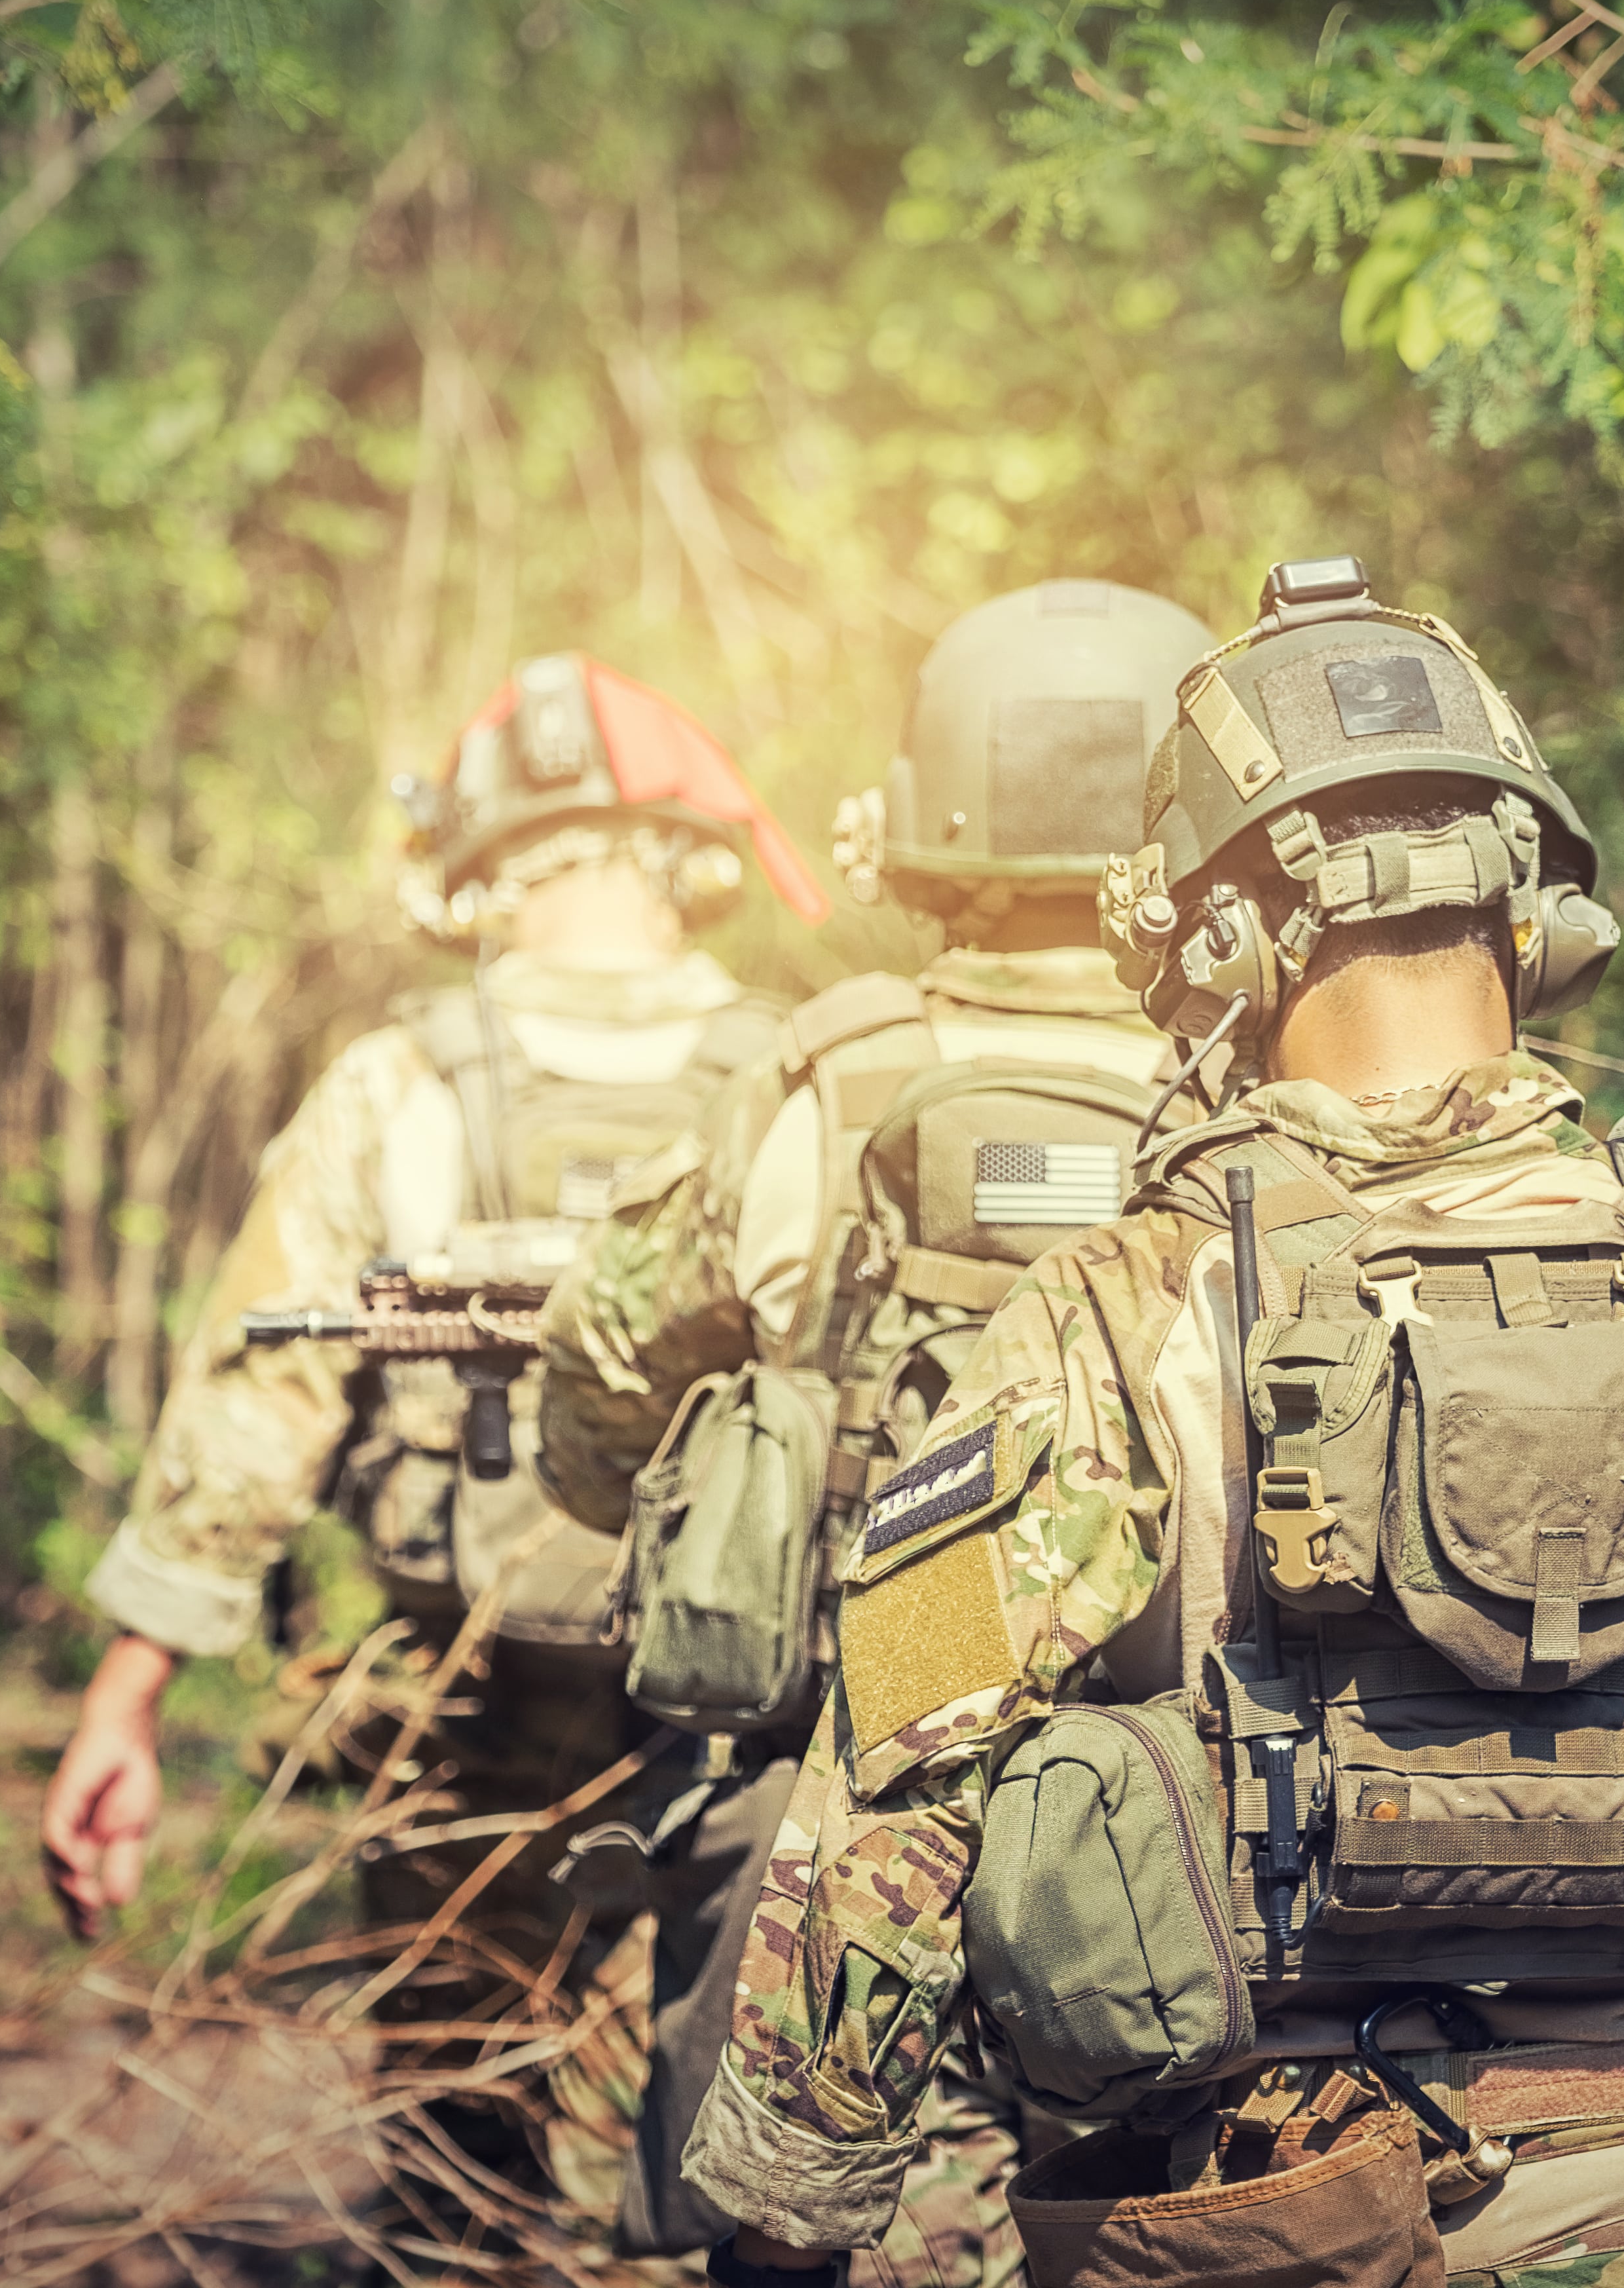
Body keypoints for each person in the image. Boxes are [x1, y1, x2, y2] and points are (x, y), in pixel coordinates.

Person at [678, 560, 1624, 2288]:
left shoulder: (1118, 1314)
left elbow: (902, 1787)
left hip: (1250, 2209)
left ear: (1217, 947)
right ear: (1533, 924)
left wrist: (789, 2214)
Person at [537, 578, 1219, 2281]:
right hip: (1181, 1856)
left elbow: (603, 1378)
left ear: (926, 825)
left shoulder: (820, 1079)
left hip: (835, 1851)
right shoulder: (1253, 1109)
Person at [41, 652, 822, 1941]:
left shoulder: (395, 1082)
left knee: (466, 2055)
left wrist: (128, 1693)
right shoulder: (802, 1080)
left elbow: (259, 1403)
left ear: (477, 864)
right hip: (749, 1744)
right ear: (690, 859)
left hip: (467, 1731)